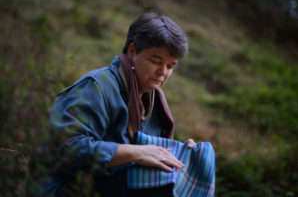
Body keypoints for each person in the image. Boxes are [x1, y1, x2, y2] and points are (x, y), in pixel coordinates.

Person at [42, 12, 201, 197]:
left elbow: (151, 151)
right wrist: (134, 153)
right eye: (155, 61)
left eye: (170, 66)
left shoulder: (153, 98)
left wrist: (182, 152)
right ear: (132, 52)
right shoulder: (97, 87)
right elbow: (68, 148)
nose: (162, 73)